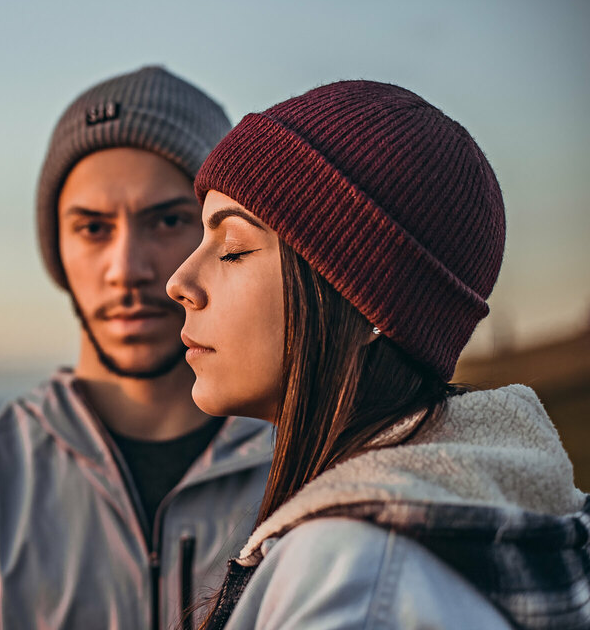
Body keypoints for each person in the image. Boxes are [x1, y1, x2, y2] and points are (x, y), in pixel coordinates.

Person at [166, 80, 590, 629]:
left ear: (370, 303)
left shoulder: (354, 578)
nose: (180, 281)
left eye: (234, 249)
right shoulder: (517, 525)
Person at [0, 66, 276, 630]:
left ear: (223, 236)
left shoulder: (312, 466)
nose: (127, 269)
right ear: (55, 249)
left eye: (168, 220)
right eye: (92, 228)